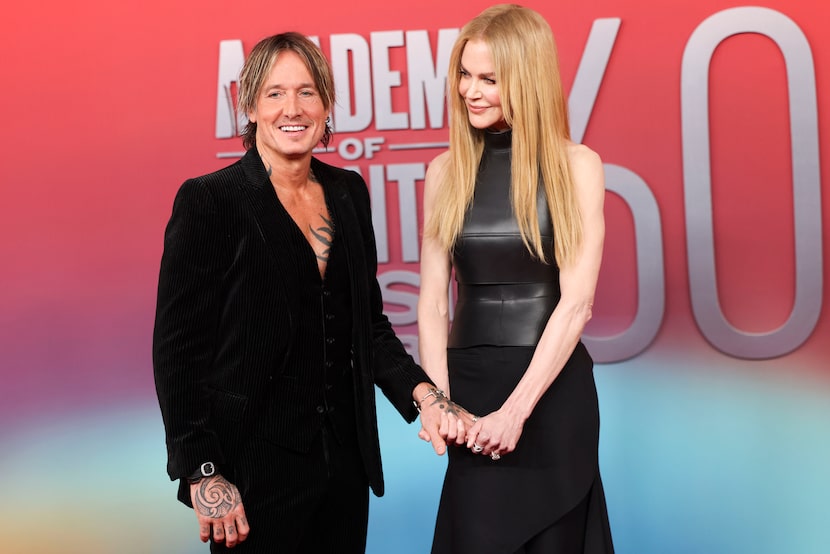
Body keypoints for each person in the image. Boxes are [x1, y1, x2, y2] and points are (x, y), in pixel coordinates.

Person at [153, 31, 467, 553]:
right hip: (249, 473)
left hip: (344, 469)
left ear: (326, 104)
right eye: (275, 93)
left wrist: (427, 396)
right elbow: (177, 353)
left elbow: (368, 327)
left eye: (306, 92)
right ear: (249, 106)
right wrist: (202, 471)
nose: (292, 108)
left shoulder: (348, 192)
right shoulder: (210, 201)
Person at [417, 4, 615, 553]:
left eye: (489, 79)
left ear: (527, 80)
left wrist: (515, 412)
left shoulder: (577, 166)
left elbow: (576, 304)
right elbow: (433, 303)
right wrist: (439, 403)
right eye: (464, 75)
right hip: (470, 392)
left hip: (548, 393)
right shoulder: (444, 172)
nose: (470, 91)